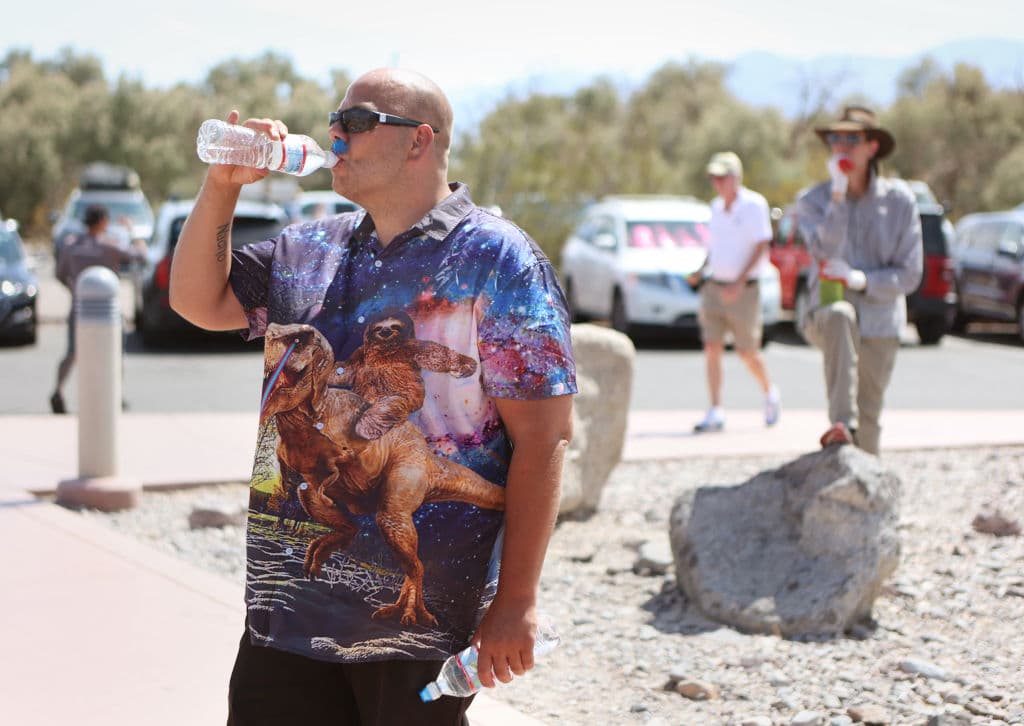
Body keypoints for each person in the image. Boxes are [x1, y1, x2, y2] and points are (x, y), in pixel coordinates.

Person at [169, 68, 576, 726]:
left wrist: (518, 600)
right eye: (335, 120)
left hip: (419, 635)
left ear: (419, 141)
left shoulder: (499, 260)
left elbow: (545, 436)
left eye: (356, 122)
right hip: (286, 623)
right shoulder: (309, 249)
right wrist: (221, 188)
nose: (335, 133)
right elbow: (197, 300)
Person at [795, 106, 922, 454]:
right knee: (839, 314)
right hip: (826, 316)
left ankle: (866, 493)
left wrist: (860, 279)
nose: (842, 146)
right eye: (836, 138)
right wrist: (838, 193)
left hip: (881, 322)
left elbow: (910, 274)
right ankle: (841, 425)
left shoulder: (900, 203)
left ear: (873, 147)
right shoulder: (812, 201)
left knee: (870, 418)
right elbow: (823, 250)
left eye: (853, 138)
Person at [688, 151, 781, 433]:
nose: (717, 183)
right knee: (711, 346)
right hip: (715, 287)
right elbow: (716, 247)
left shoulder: (754, 205)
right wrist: (701, 269)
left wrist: (739, 282)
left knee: (747, 351)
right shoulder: (716, 208)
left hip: (744, 290)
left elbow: (762, 245)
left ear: (735, 177)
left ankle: (770, 393)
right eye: (713, 177)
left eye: (722, 177)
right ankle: (716, 409)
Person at [50, 204, 145, 414]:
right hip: (109, 311)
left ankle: (58, 391)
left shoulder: (70, 246)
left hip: (79, 308)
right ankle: (116, 395)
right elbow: (140, 255)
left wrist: (77, 291)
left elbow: (59, 274)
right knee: (116, 353)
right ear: (102, 221)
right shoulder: (109, 246)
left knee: (73, 352)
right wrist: (131, 231)